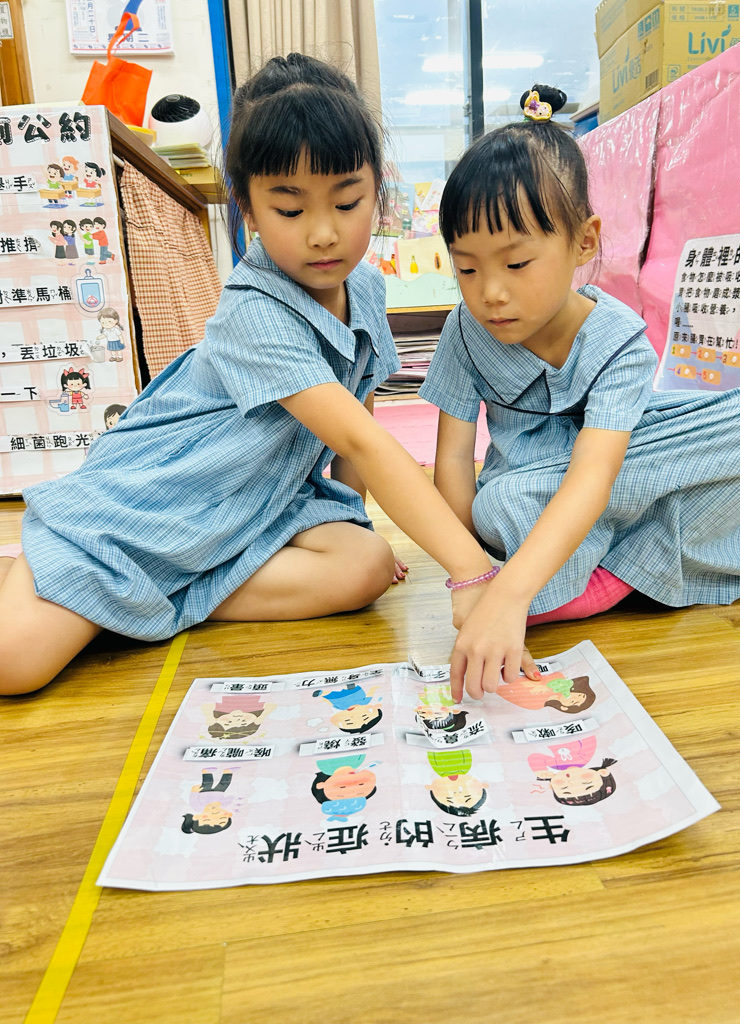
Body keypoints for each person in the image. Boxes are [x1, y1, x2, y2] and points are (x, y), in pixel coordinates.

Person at [0, 53, 511, 696]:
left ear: (376, 189)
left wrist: (350, 516)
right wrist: (471, 571)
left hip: (251, 506)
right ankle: (84, 582)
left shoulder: (367, 288)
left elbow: (360, 405)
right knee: (14, 665)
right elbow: (362, 442)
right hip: (153, 500)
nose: (324, 234)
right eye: (290, 211)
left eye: (347, 202)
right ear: (247, 207)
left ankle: (128, 599)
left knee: (365, 565)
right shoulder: (254, 310)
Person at [420, 84, 740, 702]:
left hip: (616, 470)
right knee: (500, 504)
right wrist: (474, 574)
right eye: (467, 268)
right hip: (528, 493)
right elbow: (452, 458)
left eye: (515, 264)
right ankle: (624, 571)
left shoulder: (617, 337)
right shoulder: (464, 331)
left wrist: (509, 592)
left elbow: (595, 476)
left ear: (583, 242)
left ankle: (589, 576)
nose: (490, 292)